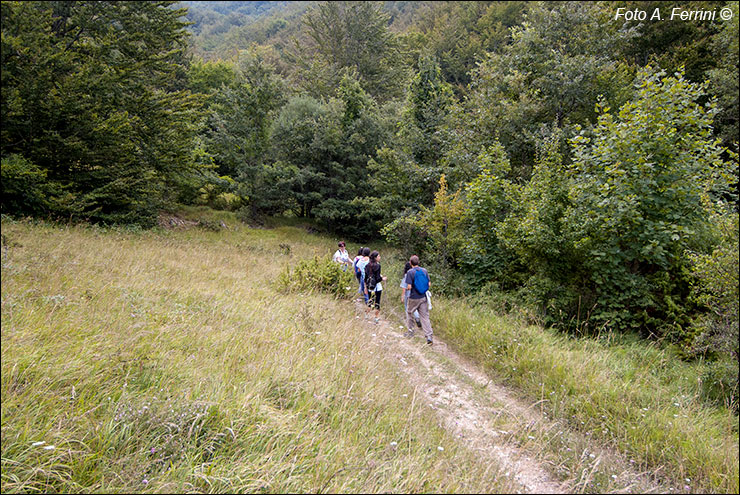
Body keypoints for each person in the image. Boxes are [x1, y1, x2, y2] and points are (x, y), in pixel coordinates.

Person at [403, 255, 434, 345]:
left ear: (410, 263)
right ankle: (429, 336)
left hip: (413, 297)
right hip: (423, 297)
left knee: (409, 312)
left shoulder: (410, 272)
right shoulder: (424, 270)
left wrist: (409, 289)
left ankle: (410, 331)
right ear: (418, 262)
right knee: (425, 316)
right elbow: (429, 284)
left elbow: (409, 286)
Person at [364, 250, 387, 324]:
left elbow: (366, 277)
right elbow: (377, 278)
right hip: (377, 286)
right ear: (375, 258)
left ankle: (367, 314)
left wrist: (365, 287)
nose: (379, 257)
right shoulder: (378, 266)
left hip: (370, 286)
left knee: (370, 301)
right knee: (377, 302)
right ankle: (376, 317)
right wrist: (382, 278)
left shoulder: (367, 265)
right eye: (378, 256)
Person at [401, 260, 422, 329]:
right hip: (416, 294)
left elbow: (404, 287)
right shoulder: (416, 273)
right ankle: (417, 318)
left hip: (408, 295)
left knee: (408, 308)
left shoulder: (406, 276)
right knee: (415, 308)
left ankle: (410, 323)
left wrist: (402, 296)